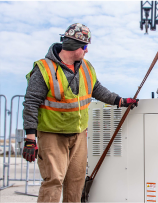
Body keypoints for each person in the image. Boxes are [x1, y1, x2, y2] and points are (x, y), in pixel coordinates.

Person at [22, 23, 138, 203]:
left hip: (78, 135)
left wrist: (120, 101)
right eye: (85, 47)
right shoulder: (44, 69)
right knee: (54, 180)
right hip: (52, 134)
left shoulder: (85, 67)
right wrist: (30, 138)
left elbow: (97, 89)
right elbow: (31, 102)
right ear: (73, 46)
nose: (86, 51)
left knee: (75, 181)